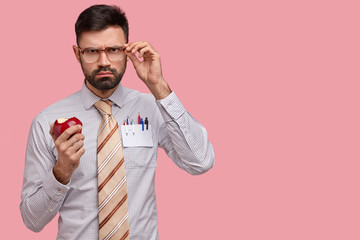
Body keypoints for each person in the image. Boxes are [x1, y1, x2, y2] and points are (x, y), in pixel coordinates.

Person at [20, 4, 214, 240]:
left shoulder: (153, 108)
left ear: (127, 51)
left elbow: (201, 162)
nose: (104, 61)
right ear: (77, 53)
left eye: (113, 49)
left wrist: (160, 88)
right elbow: (32, 221)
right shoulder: (47, 122)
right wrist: (61, 172)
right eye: (91, 51)